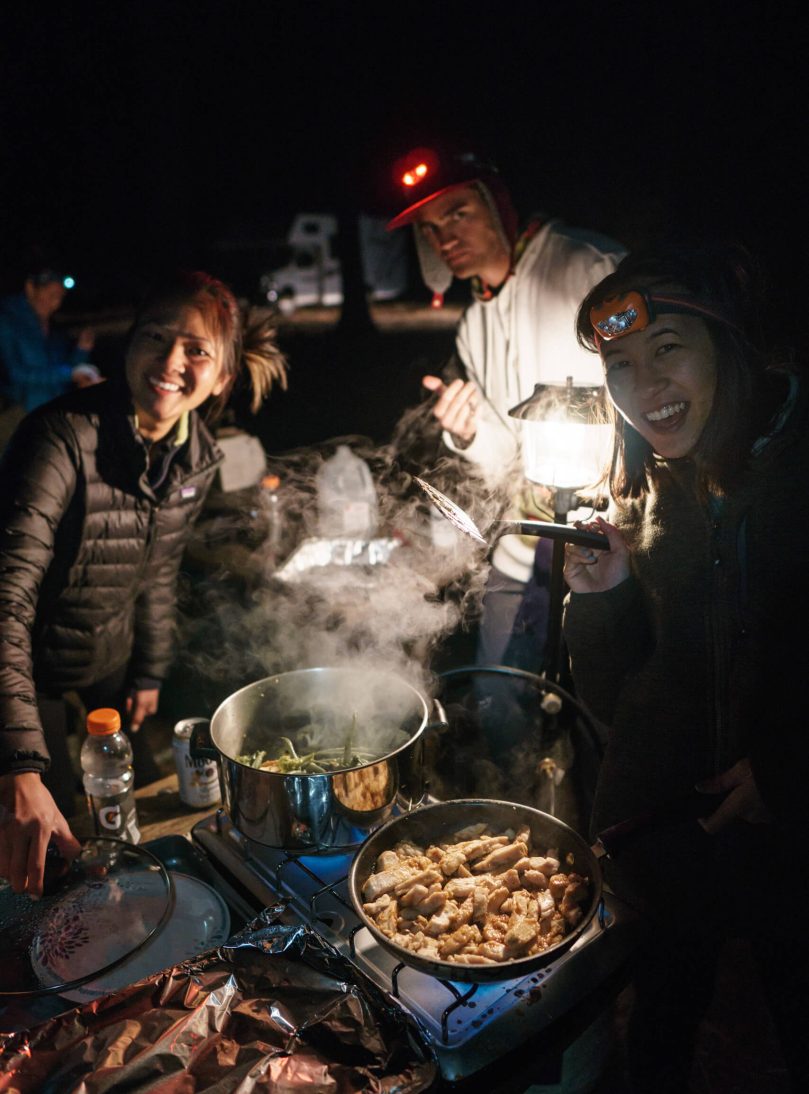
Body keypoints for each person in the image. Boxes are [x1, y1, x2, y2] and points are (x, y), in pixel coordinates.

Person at [562, 243, 808, 1092]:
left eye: (666, 347)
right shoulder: (654, 484)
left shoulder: (793, 474)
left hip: (789, 844)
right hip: (676, 845)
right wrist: (605, 599)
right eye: (620, 364)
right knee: (658, 1031)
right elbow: (620, 696)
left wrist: (789, 767)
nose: (641, 387)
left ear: (727, 345)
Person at [0, 270, 287, 897]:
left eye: (197, 350)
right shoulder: (60, 437)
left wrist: (150, 671)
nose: (170, 361)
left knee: (129, 816)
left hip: (110, 651)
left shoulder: (197, 456)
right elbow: (7, 597)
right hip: (28, 667)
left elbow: (158, 568)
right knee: (49, 839)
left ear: (223, 377)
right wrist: (19, 765)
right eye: (155, 336)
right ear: (128, 345)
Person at [386, 144, 624, 675]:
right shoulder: (474, 324)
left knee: (592, 692)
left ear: (495, 206)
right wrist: (469, 433)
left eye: (458, 213)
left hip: (605, 539)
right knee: (500, 692)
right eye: (428, 228)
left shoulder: (587, 267)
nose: (444, 237)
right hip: (524, 542)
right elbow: (507, 463)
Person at [0, 261, 101, 421]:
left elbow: (63, 369)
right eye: (51, 296)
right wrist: (69, 374)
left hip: (52, 413)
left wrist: (81, 351)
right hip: (17, 414)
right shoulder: (7, 321)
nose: (56, 303)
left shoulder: (53, 328)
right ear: (30, 288)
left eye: (60, 297)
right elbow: (14, 374)